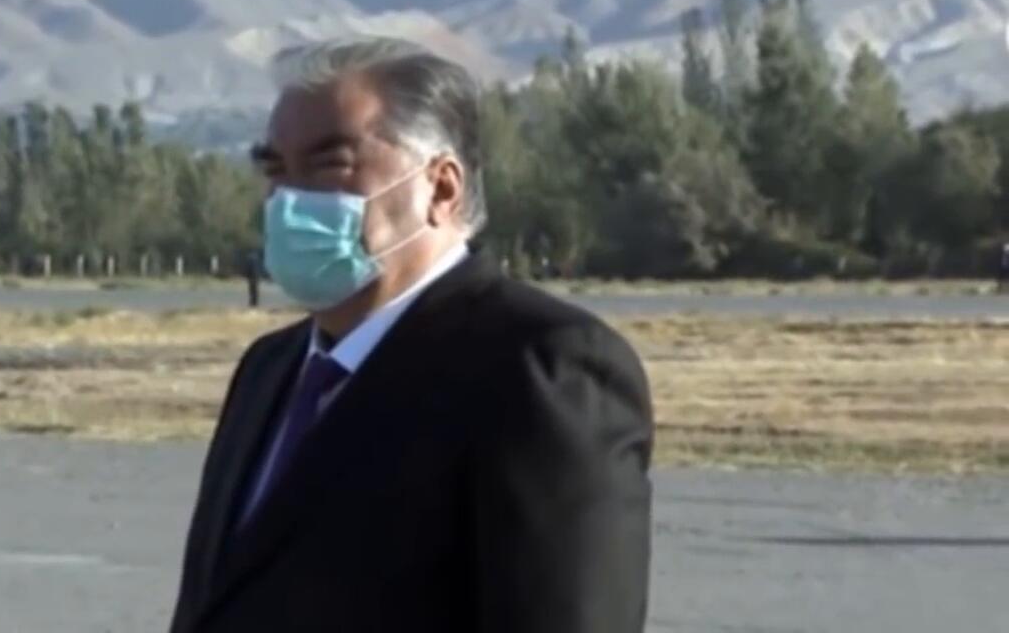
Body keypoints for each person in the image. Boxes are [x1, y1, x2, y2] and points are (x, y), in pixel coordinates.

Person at [169, 37, 654, 633]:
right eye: (276, 171)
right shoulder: (270, 369)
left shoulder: (538, 369)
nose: (291, 201)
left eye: (329, 167)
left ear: (441, 188)